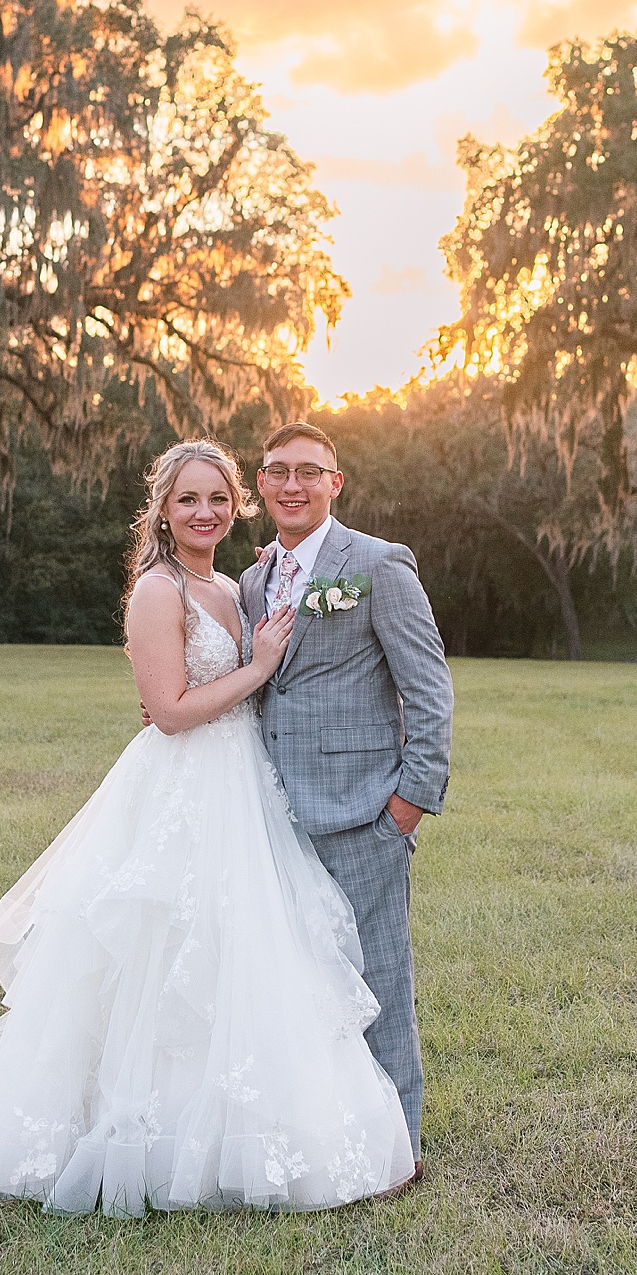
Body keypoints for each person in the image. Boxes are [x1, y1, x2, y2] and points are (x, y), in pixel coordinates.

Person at [0, 439, 417, 1215]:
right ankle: (148, 1133)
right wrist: (258, 668)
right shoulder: (158, 589)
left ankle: (246, 1125)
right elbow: (170, 713)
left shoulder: (237, 586)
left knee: (247, 956)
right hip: (184, 788)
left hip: (246, 786)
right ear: (163, 510)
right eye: (187, 499)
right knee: (167, 960)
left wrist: (254, 674)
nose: (203, 511)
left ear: (235, 504)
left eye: (216, 498)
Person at [238, 421, 453, 1186]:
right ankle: (320, 1134)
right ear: (260, 485)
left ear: (336, 481)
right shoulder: (254, 581)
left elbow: (429, 690)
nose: (291, 484)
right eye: (276, 472)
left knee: (379, 983)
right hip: (272, 816)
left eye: (308, 471)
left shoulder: (378, 565)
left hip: (364, 813)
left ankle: (399, 1150)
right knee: (298, 982)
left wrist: (407, 805)